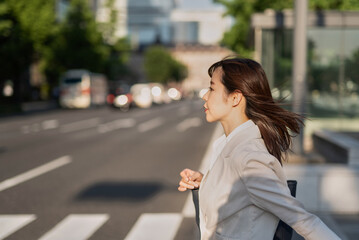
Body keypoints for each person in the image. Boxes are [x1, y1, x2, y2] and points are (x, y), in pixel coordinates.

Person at [178, 57, 341, 240]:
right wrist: (206, 181)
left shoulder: (249, 158)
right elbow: (238, 199)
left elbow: (302, 220)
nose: (204, 96)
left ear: (235, 98)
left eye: (212, 88)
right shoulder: (227, 145)